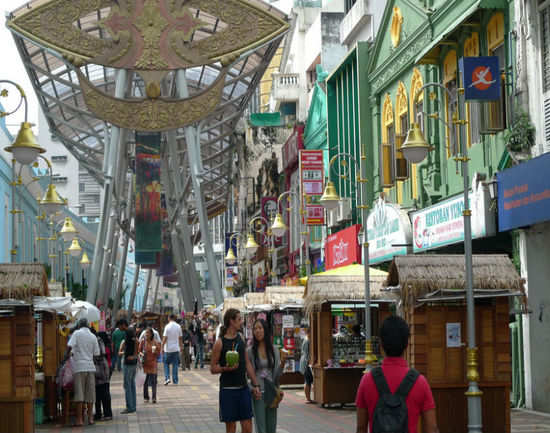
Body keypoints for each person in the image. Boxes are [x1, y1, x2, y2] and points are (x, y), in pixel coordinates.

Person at [355, 316, 439, 433]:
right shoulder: (420, 382)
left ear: (381, 343)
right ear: (407, 343)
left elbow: (361, 427)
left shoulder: (367, 380)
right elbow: (432, 428)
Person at [210, 308, 262, 433]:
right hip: (228, 390)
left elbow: (247, 363)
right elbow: (212, 368)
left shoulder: (240, 338)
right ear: (231, 321)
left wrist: (256, 384)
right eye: (239, 319)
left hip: (243, 388)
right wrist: (225, 368)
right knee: (231, 427)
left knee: (248, 426)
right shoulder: (220, 343)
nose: (241, 322)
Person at [247, 319, 285, 433]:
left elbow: (277, 376)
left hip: (271, 393)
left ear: (265, 330)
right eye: (255, 329)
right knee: (261, 428)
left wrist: (282, 364)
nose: (257, 331)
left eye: (260, 328)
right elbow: (246, 375)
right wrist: (252, 388)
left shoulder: (274, 350)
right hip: (258, 394)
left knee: (271, 428)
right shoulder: (250, 351)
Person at [67, 318, 100, 426]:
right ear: (88, 326)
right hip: (90, 367)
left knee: (79, 394)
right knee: (90, 394)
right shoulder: (93, 336)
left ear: (79, 325)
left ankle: (80, 420)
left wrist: (67, 356)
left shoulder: (76, 333)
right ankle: (90, 418)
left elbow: (69, 346)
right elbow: (96, 353)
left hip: (79, 367)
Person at [93, 330, 113, 421]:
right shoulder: (98, 340)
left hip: (101, 369)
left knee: (104, 392)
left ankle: (107, 413)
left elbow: (101, 353)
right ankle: (99, 413)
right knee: (98, 393)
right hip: (100, 368)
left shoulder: (98, 340)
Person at [119, 326, 138, 414]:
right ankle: (133, 406)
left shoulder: (126, 342)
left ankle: (129, 407)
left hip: (128, 364)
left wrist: (127, 354)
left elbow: (120, 353)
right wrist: (133, 356)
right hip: (134, 364)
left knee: (127, 385)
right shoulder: (135, 341)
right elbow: (136, 353)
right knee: (132, 384)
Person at [139, 327, 159, 403]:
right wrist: (142, 354)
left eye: (148, 333)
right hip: (145, 364)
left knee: (154, 381)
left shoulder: (155, 342)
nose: (146, 334)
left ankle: (154, 397)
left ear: (151, 334)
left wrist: (155, 352)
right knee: (145, 381)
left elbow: (158, 353)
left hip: (153, 363)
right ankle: (146, 397)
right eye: (145, 333)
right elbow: (139, 351)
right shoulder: (143, 342)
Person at [162, 314, 183, 385]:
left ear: (169, 318)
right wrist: (181, 347)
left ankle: (167, 378)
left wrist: (162, 347)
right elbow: (180, 338)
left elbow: (165, 338)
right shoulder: (178, 326)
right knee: (175, 365)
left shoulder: (167, 326)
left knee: (166, 364)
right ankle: (175, 380)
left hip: (167, 349)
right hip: (176, 349)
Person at [299, 327, 313, 403]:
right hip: (306, 362)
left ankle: (308, 398)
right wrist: (309, 363)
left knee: (308, 380)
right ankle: (308, 398)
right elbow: (307, 354)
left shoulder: (306, 339)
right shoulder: (307, 340)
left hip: (305, 361)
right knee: (307, 380)